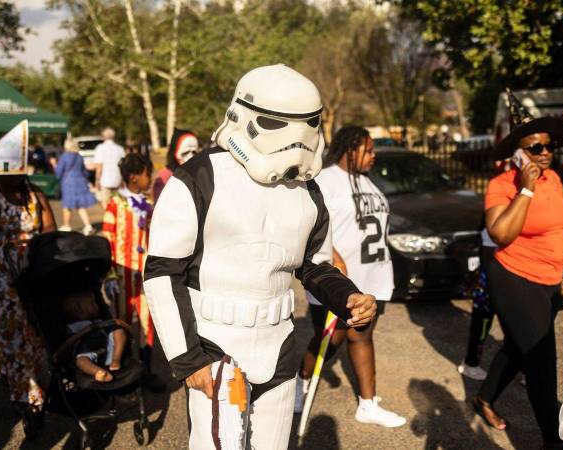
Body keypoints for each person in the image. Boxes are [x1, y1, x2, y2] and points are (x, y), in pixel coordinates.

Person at [143, 64, 377, 450]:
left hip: (278, 343)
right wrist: (189, 360)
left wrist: (347, 296)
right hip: (215, 344)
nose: (297, 140)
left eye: (307, 125)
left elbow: (315, 264)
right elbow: (163, 273)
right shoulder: (199, 177)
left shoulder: (308, 190)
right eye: (279, 124)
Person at [472, 89, 563, 450]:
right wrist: (526, 189)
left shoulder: (555, 180)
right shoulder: (501, 186)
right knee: (541, 360)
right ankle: (555, 440)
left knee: (519, 347)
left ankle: (484, 398)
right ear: (519, 152)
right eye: (535, 148)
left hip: (550, 278)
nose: (545, 153)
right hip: (515, 278)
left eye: (549, 146)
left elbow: (560, 225)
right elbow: (500, 233)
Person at [295, 125, 406, 427]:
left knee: (363, 336)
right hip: (338, 281)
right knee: (330, 341)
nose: (374, 155)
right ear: (350, 149)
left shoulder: (367, 182)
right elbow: (310, 228)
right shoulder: (325, 180)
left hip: (373, 276)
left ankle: (368, 404)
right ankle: (300, 381)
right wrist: (332, 257)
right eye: (368, 150)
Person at [0, 123, 56, 433]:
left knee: (36, 338)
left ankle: (16, 380)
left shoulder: (33, 193)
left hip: (33, 277)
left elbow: (49, 229)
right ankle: (31, 402)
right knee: (15, 342)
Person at [101, 153, 164, 391]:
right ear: (134, 177)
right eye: (148, 174)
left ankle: (146, 371)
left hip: (144, 276)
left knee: (148, 324)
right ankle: (124, 371)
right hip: (121, 275)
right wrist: (109, 275)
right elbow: (107, 238)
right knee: (122, 323)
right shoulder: (115, 204)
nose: (151, 178)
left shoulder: (148, 205)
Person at [60, 289, 127, 383]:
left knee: (118, 331)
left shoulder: (99, 321)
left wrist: (117, 323)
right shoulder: (74, 327)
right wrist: (85, 330)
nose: (97, 305)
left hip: (107, 348)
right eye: (92, 303)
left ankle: (116, 359)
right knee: (81, 361)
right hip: (87, 353)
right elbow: (67, 343)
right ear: (78, 309)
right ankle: (99, 373)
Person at [457, 227, 497, 380]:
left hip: (496, 283)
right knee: (481, 325)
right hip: (489, 285)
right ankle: (471, 363)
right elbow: (487, 259)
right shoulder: (492, 227)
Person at [54, 138, 96, 235]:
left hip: (68, 183)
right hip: (81, 182)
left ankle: (66, 225)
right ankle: (88, 226)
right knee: (81, 205)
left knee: (67, 205)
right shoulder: (79, 156)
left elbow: (58, 172)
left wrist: (54, 166)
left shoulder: (65, 156)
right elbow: (84, 171)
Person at [152, 129, 199, 204]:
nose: (191, 156)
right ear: (175, 151)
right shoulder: (164, 177)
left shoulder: (197, 175)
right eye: (185, 152)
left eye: (194, 152)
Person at [94, 127, 125, 207]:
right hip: (117, 179)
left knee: (105, 202)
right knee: (117, 202)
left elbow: (99, 166)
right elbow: (123, 165)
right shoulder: (120, 149)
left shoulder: (100, 148)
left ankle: (110, 217)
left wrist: (97, 180)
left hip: (105, 179)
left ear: (103, 136)